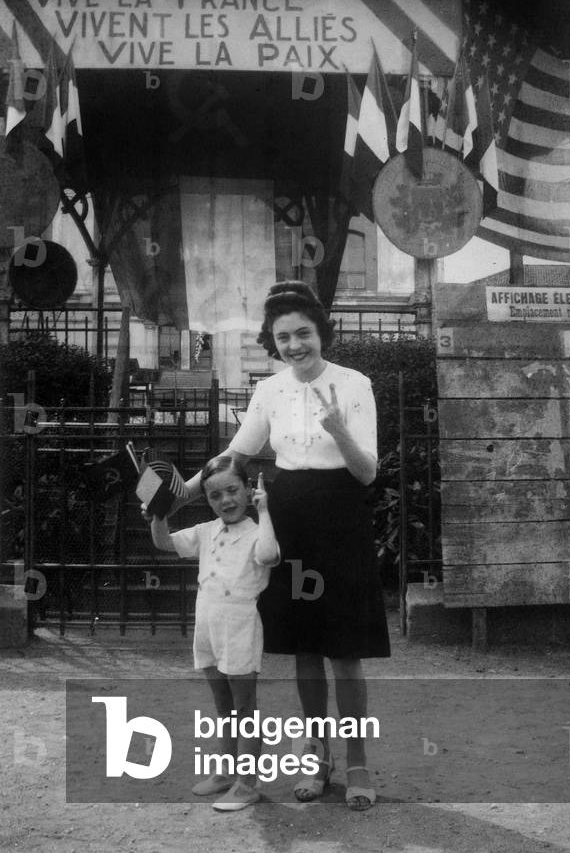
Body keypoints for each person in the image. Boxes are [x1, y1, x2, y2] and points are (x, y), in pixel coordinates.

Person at [180, 280, 390, 810]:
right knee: (305, 650)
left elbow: (367, 473)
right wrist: (178, 493)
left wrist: (339, 428)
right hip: (290, 519)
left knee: (345, 651)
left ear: (322, 333)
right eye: (284, 337)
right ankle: (317, 762)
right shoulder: (268, 390)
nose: (295, 345)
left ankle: (359, 762)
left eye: (304, 334)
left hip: (340, 519)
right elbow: (235, 456)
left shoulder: (355, 383)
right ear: (273, 343)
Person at [143, 455, 280, 812]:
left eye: (233, 491)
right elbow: (164, 543)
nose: (226, 501)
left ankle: (248, 784)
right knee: (223, 708)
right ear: (208, 500)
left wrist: (264, 513)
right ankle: (226, 772)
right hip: (207, 624)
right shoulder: (206, 531)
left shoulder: (257, 532)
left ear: (249, 491)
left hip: (238, 626)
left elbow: (269, 556)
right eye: (216, 496)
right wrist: (158, 515)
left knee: (245, 708)